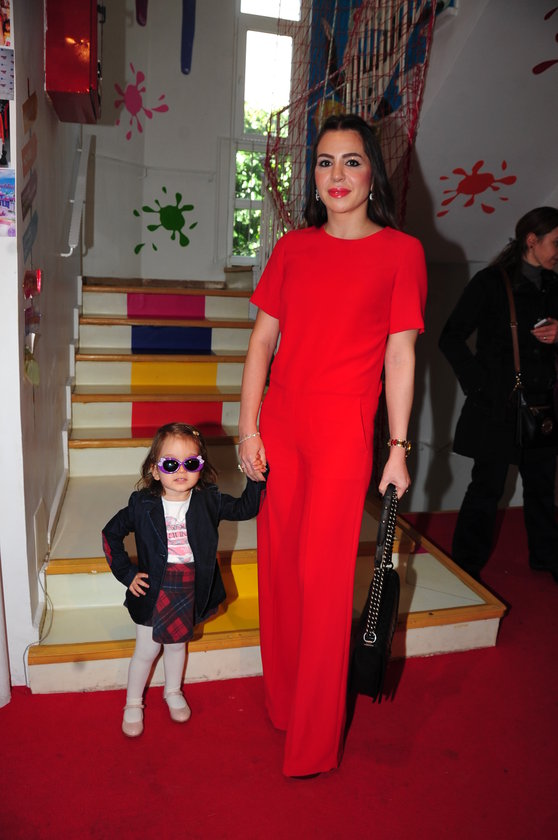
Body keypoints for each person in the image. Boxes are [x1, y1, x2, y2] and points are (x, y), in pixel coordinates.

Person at [238, 113, 427, 777]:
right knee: (279, 571)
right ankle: (284, 702)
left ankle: (313, 742)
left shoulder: (402, 252)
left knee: (323, 583)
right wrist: (248, 425)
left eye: (351, 160)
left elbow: (401, 356)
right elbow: (262, 341)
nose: (337, 175)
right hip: (282, 426)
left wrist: (398, 448)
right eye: (324, 161)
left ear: (374, 173)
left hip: (344, 434)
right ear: (312, 174)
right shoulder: (293, 248)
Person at [102, 422, 267, 737]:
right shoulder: (142, 505)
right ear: (155, 470)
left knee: (178, 646)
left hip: (189, 586)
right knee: (147, 650)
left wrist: (255, 477)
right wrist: (127, 573)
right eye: (170, 464)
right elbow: (110, 534)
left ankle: (173, 691)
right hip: (154, 588)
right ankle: (133, 703)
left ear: (200, 468)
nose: (181, 470)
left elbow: (246, 508)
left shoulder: (209, 500)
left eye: (191, 463)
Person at [439, 207, 558, 584]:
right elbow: (450, 338)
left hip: (541, 405)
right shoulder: (491, 282)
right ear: (532, 240)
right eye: (556, 243)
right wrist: (480, 387)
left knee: (542, 487)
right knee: (487, 488)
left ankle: (546, 558)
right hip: (497, 408)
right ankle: (465, 567)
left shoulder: (555, 285)